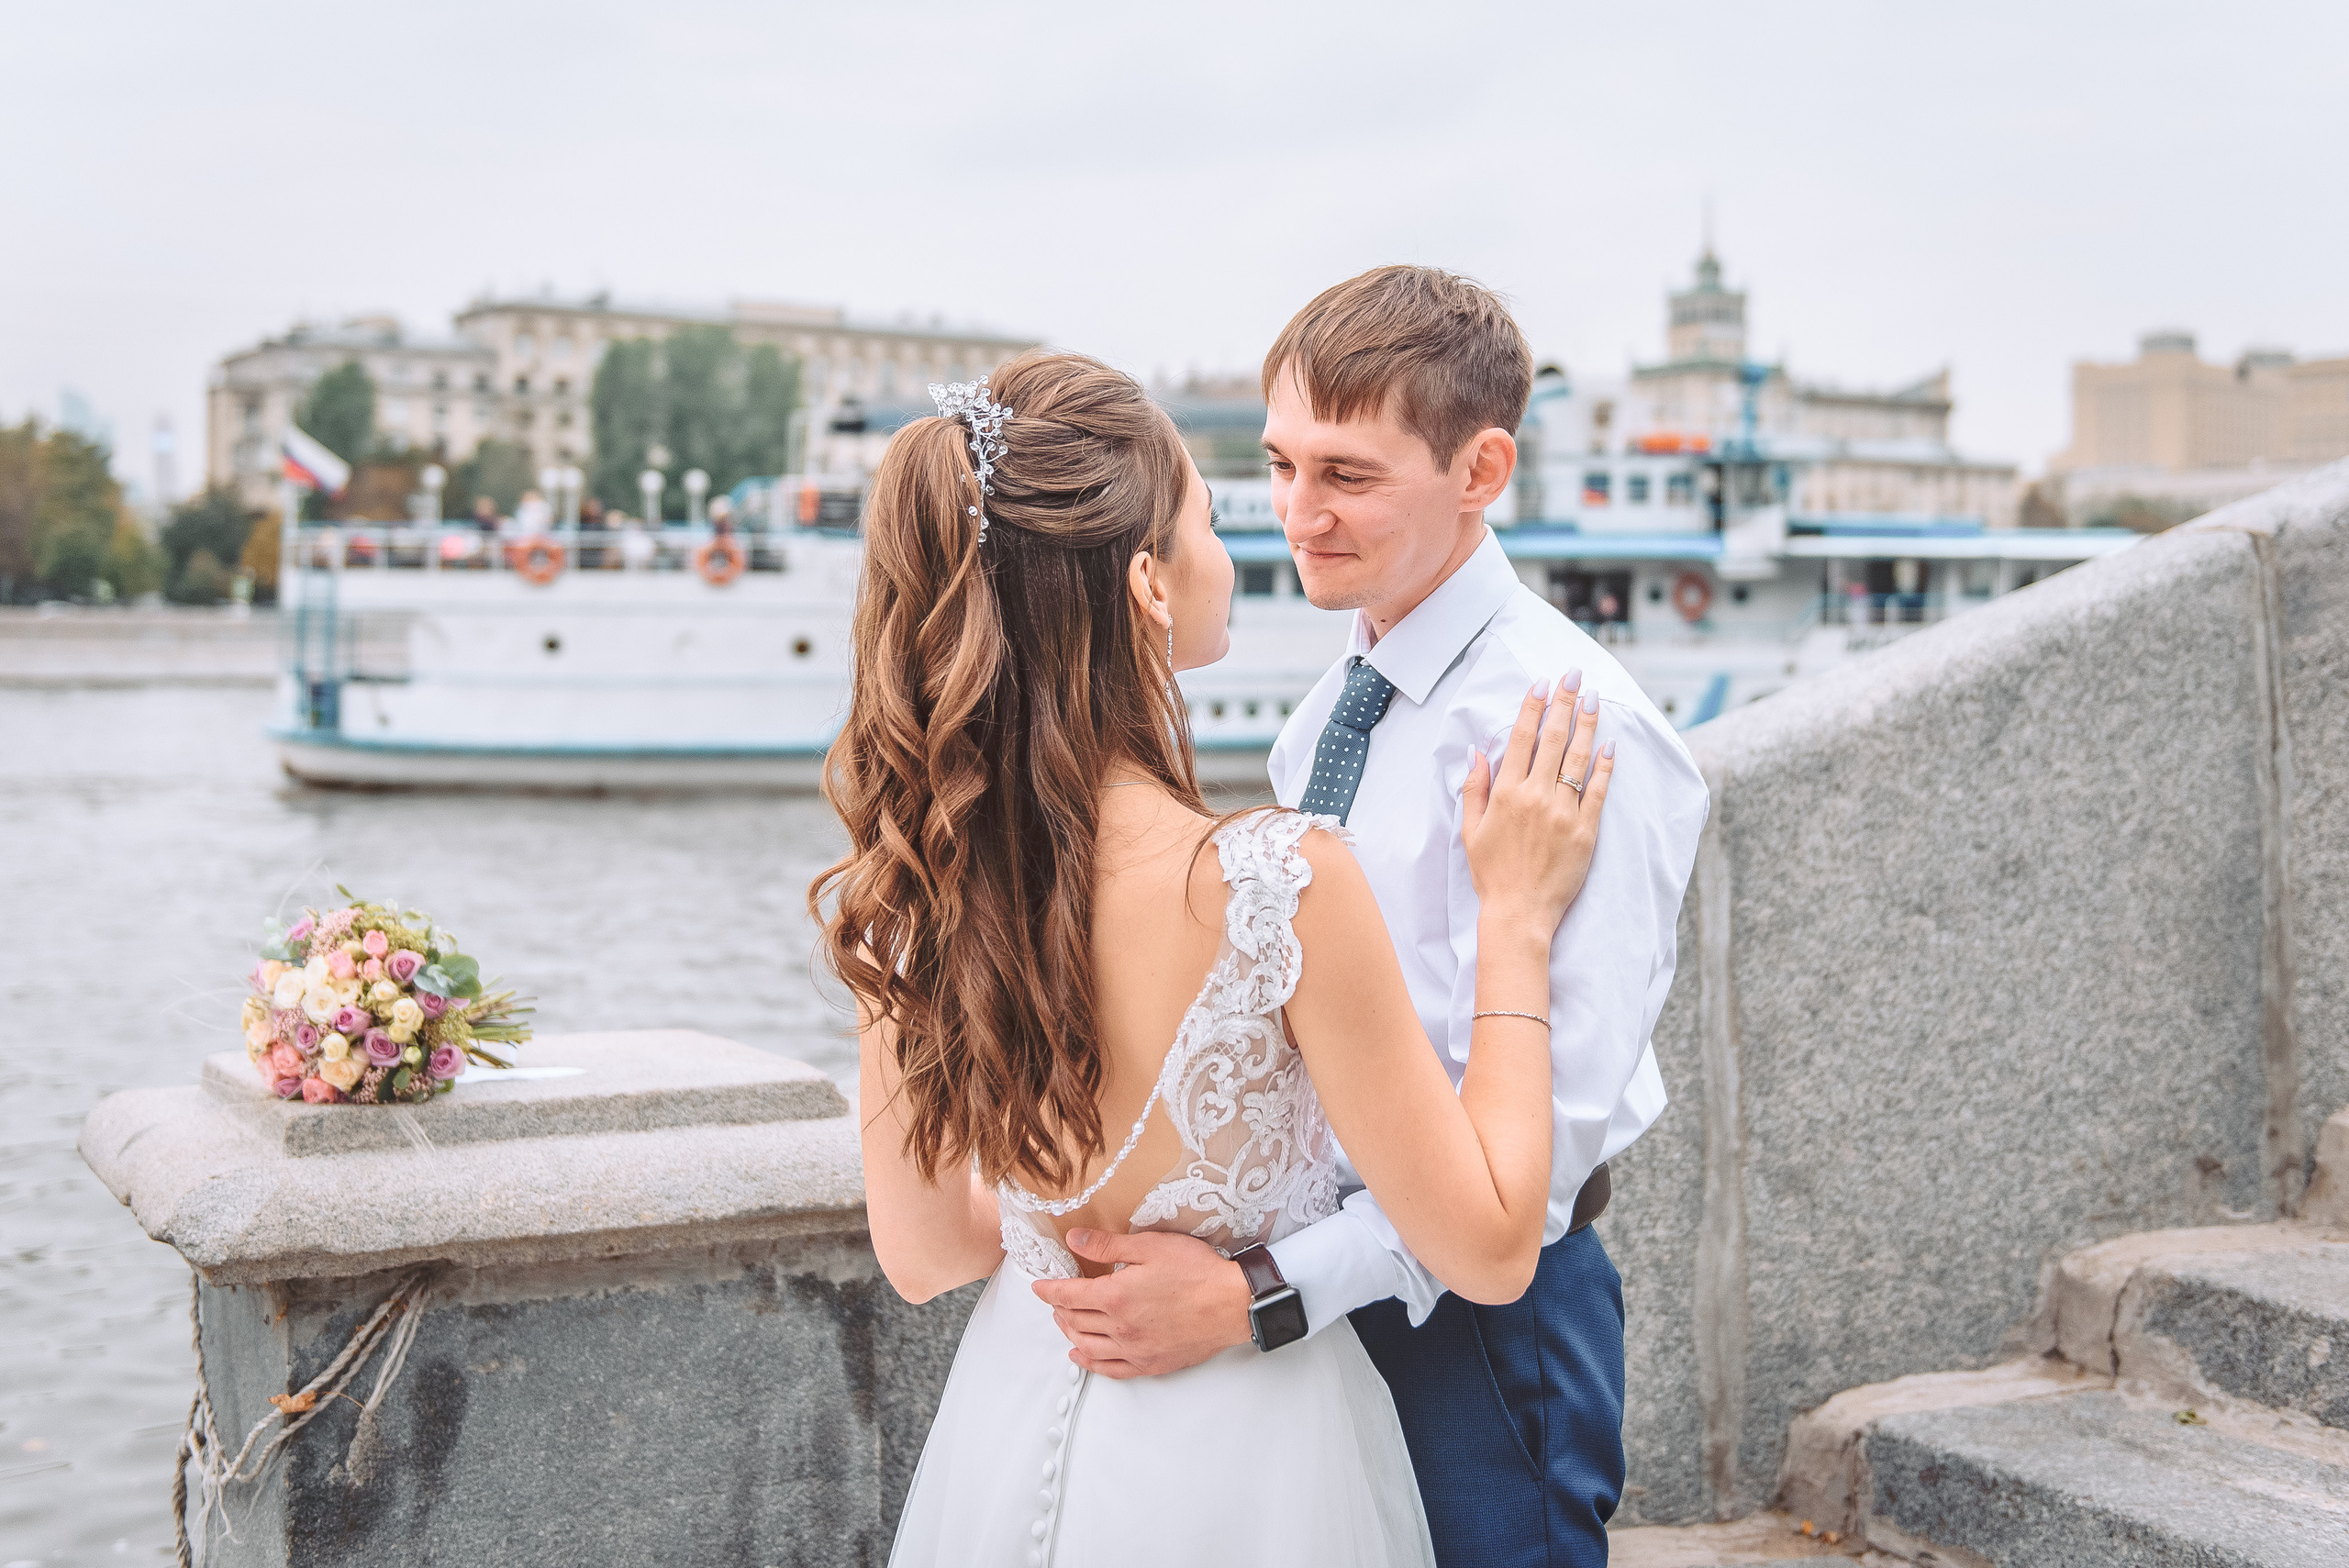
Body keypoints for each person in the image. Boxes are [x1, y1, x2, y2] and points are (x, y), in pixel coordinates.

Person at [815, 350, 1617, 1567]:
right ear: (1147, 581)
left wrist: (1057, 1213)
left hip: (1017, 1418)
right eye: (1208, 518)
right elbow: (1494, 1247)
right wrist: (1514, 920)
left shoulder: (912, 888)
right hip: (1250, 1462)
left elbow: (928, 1254)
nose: (1250, 542)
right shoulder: (1276, 882)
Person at [1032, 269, 1710, 1566]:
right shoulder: (1325, 714)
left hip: (1478, 1323)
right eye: (1282, 466)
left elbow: (1540, 1159)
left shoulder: (1572, 732)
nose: (1299, 514)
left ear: (1481, 469)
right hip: (1318, 1295)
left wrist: (1264, 1296)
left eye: (1347, 474)